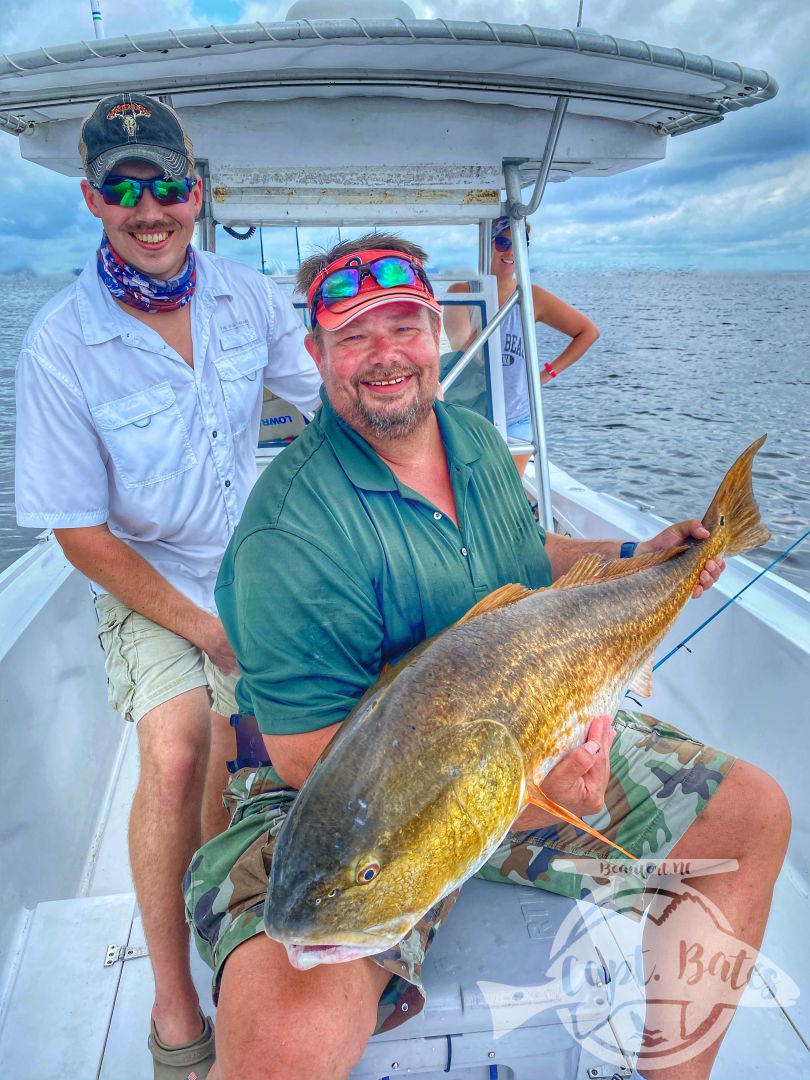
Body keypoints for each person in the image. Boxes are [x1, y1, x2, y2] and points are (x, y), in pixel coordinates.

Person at [184, 234, 790, 1080]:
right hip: (346, 802)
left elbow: (529, 554)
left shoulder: (469, 437)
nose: (385, 356)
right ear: (315, 352)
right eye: (354, 335)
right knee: (281, 1044)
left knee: (754, 812)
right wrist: (524, 803)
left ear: (438, 336)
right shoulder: (289, 535)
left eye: (404, 327)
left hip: (524, 729)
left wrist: (639, 558)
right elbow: (301, 757)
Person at [14, 92, 321, 1080]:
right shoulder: (62, 340)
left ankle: (225, 934)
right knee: (181, 750)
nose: (151, 209)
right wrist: (206, 630)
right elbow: (77, 531)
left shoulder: (249, 297)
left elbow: (330, 404)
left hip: (250, 565)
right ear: (91, 199)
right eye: (124, 187)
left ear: (199, 191)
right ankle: (176, 1001)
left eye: (168, 185)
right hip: (141, 578)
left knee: (247, 763)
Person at [444, 216, 599, 477]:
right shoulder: (462, 291)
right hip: (471, 414)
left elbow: (588, 332)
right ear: (487, 245)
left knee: (508, 492)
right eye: (503, 242)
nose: (510, 252)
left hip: (517, 416)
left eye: (518, 243)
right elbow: (460, 343)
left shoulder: (531, 296)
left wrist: (545, 375)